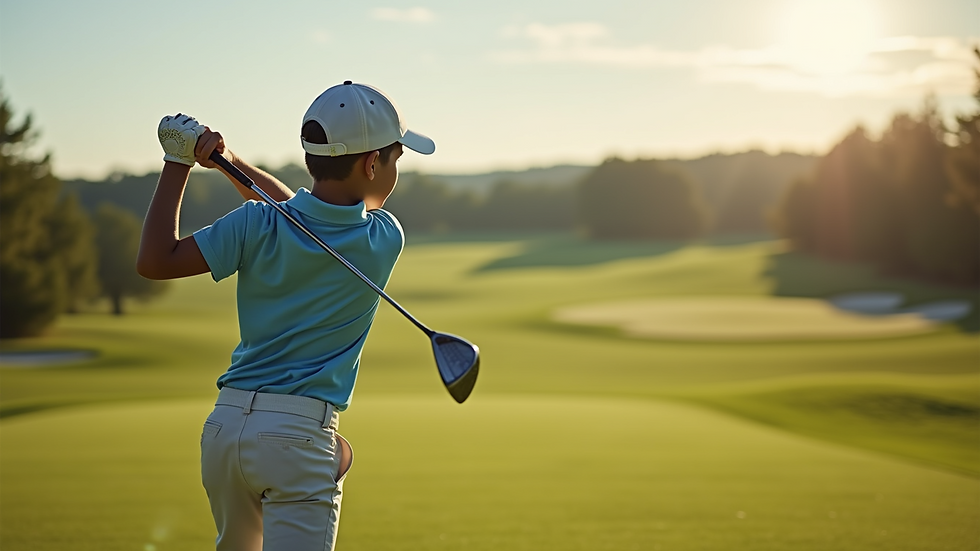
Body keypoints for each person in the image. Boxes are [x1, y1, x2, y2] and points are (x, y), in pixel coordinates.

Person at [137, 81, 435, 551]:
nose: (395, 170)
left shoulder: (255, 223)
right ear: (372, 163)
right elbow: (291, 211)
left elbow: (156, 260)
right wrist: (228, 162)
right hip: (297, 438)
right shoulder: (384, 237)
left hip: (224, 430)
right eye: (395, 158)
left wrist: (179, 162)